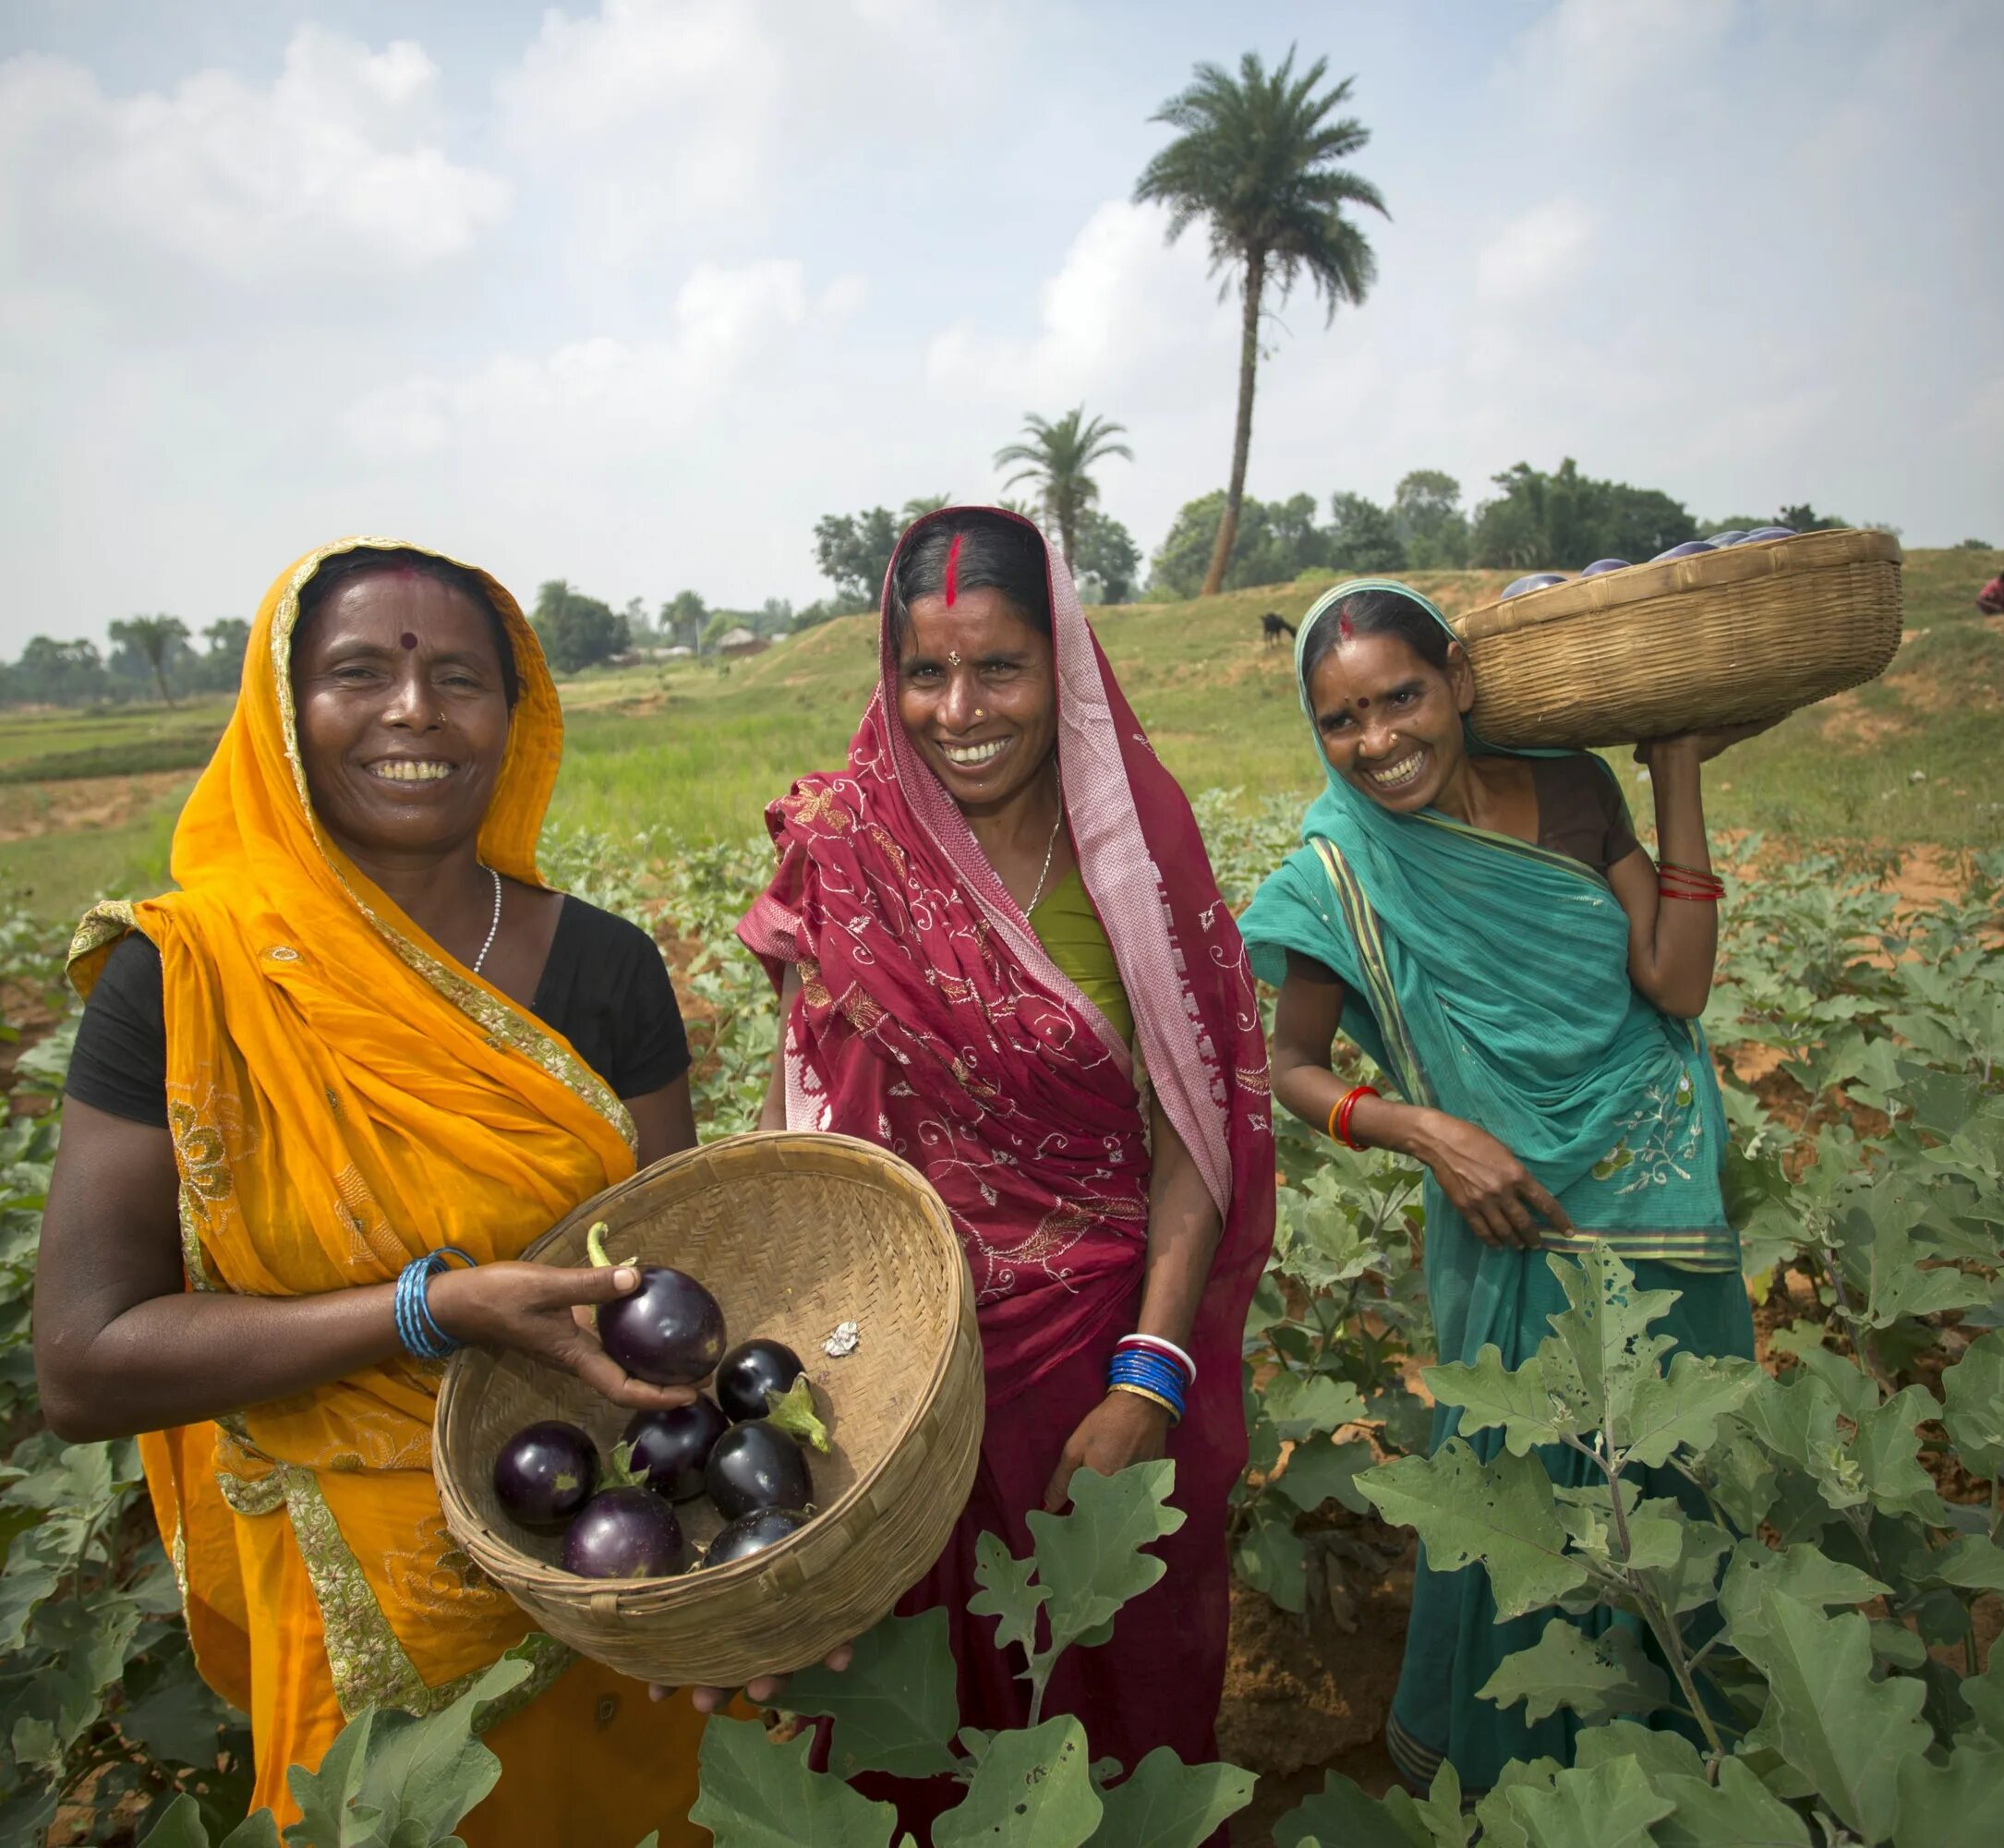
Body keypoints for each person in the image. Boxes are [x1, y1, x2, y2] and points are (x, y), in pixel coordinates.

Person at [33, 539, 814, 1842]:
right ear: (285, 716)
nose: (414, 710)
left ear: (515, 718)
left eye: (458, 676)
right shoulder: (184, 981)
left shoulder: (606, 967)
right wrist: (426, 1309)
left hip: (608, 1560)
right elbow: (85, 1364)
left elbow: (676, 1317)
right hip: (367, 1635)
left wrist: (744, 1573)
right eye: (358, 673)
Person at [737, 507, 1275, 1828]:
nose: (959, 708)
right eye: (925, 670)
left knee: (1109, 1689)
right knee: (906, 1717)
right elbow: (799, 1128)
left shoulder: (1131, 854)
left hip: (1093, 1364)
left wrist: (1146, 1383)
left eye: (1000, 669)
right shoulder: (848, 850)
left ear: (1064, 666)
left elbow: (1193, 1142)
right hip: (896, 1376)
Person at [1236, 578, 1758, 1797]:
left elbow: (1674, 985)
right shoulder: (1337, 871)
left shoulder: (1574, 787)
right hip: (1504, 1212)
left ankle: (1679, 1780)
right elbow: (1290, 1067)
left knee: (1662, 1480)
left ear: (1459, 680)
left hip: (1653, 1173)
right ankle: (1533, 1792)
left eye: (1401, 698)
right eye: (1342, 721)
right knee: (1527, 1502)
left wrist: (1675, 768)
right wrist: (1429, 1133)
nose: (1378, 742)